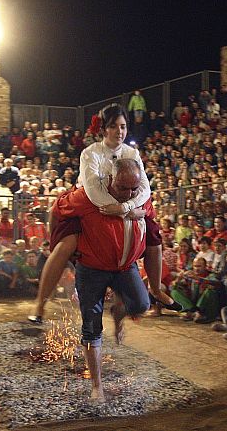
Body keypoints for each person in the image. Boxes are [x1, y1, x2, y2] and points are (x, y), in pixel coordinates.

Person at [29, 104, 177, 324]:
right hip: (91, 202)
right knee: (64, 246)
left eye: (124, 126)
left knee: (154, 234)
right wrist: (117, 209)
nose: (120, 131)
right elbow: (93, 190)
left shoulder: (131, 152)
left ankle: (156, 289)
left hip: (127, 201)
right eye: (114, 126)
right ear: (104, 129)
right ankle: (40, 304)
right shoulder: (91, 153)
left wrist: (126, 208)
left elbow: (145, 187)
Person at [53, 158, 152, 401]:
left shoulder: (140, 197)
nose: (128, 194)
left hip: (125, 267)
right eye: (122, 188)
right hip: (91, 269)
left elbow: (149, 216)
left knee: (141, 305)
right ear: (109, 180)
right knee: (91, 327)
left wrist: (133, 209)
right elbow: (57, 208)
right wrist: (58, 247)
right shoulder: (87, 197)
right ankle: (97, 386)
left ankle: (119, 312)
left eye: (133, 188)